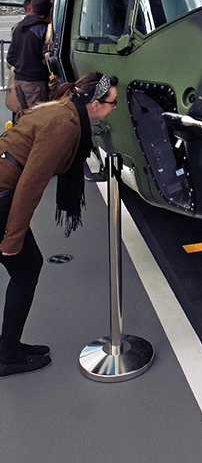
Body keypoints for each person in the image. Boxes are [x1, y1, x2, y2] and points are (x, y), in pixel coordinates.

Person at [0, 70, 118, 378]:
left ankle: (9, 346)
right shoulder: (65, 126)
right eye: (112, 103)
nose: (113, 109)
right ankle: (6, 356)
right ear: (95, 104)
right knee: (25, 271)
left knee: (30, 266)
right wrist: (12, 239)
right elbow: (30, 184)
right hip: (3, 194)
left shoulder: (66, 108)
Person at [7, 0, 53, 112]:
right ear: (48, 11)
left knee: (27, 120)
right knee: (39, 119)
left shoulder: (19, 27)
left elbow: (10, 58)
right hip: (35, 83)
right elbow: (47, 60)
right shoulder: (44, 30)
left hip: (18, 82)